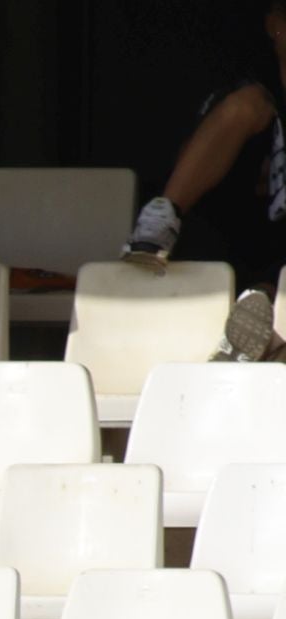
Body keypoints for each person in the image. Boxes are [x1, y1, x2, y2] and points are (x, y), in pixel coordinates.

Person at [127, 3, 286, 361]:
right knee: (249, 106)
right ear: (276, 25)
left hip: (276, 262)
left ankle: (250, 341)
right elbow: (192, 153)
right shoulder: (250, 92)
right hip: (228, 241)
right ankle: (159, 222)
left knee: (266, 300)